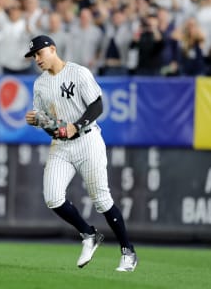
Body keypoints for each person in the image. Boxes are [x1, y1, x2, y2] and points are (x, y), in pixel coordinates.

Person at [24, 35, 138, 272]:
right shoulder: (40, 84)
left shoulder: (78, 73)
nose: (37, 59)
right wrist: (38, 121)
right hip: (61, 145)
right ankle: (88, 233)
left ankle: (128, 251)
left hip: (88, 140)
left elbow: (97, 105)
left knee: (101, 199)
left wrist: (76, 125)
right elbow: (48, 122)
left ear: (52, 49)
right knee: (53, 197)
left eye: (39, 53)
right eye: (33, 56)